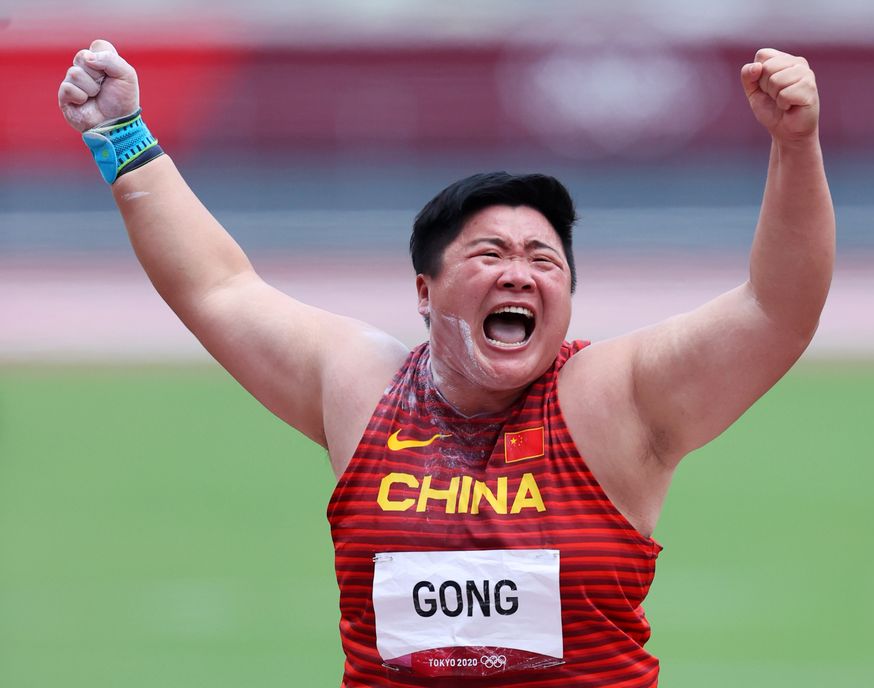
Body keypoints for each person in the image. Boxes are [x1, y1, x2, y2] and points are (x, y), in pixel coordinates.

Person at [58, 39, 834, 687]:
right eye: (490, 253)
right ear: (425, 292)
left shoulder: (614, 401)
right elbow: (219, 287)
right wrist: (122, 134)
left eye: (545, 259)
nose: (520, 273)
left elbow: (774, 311)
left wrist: (795, 146)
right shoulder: (361, 386)